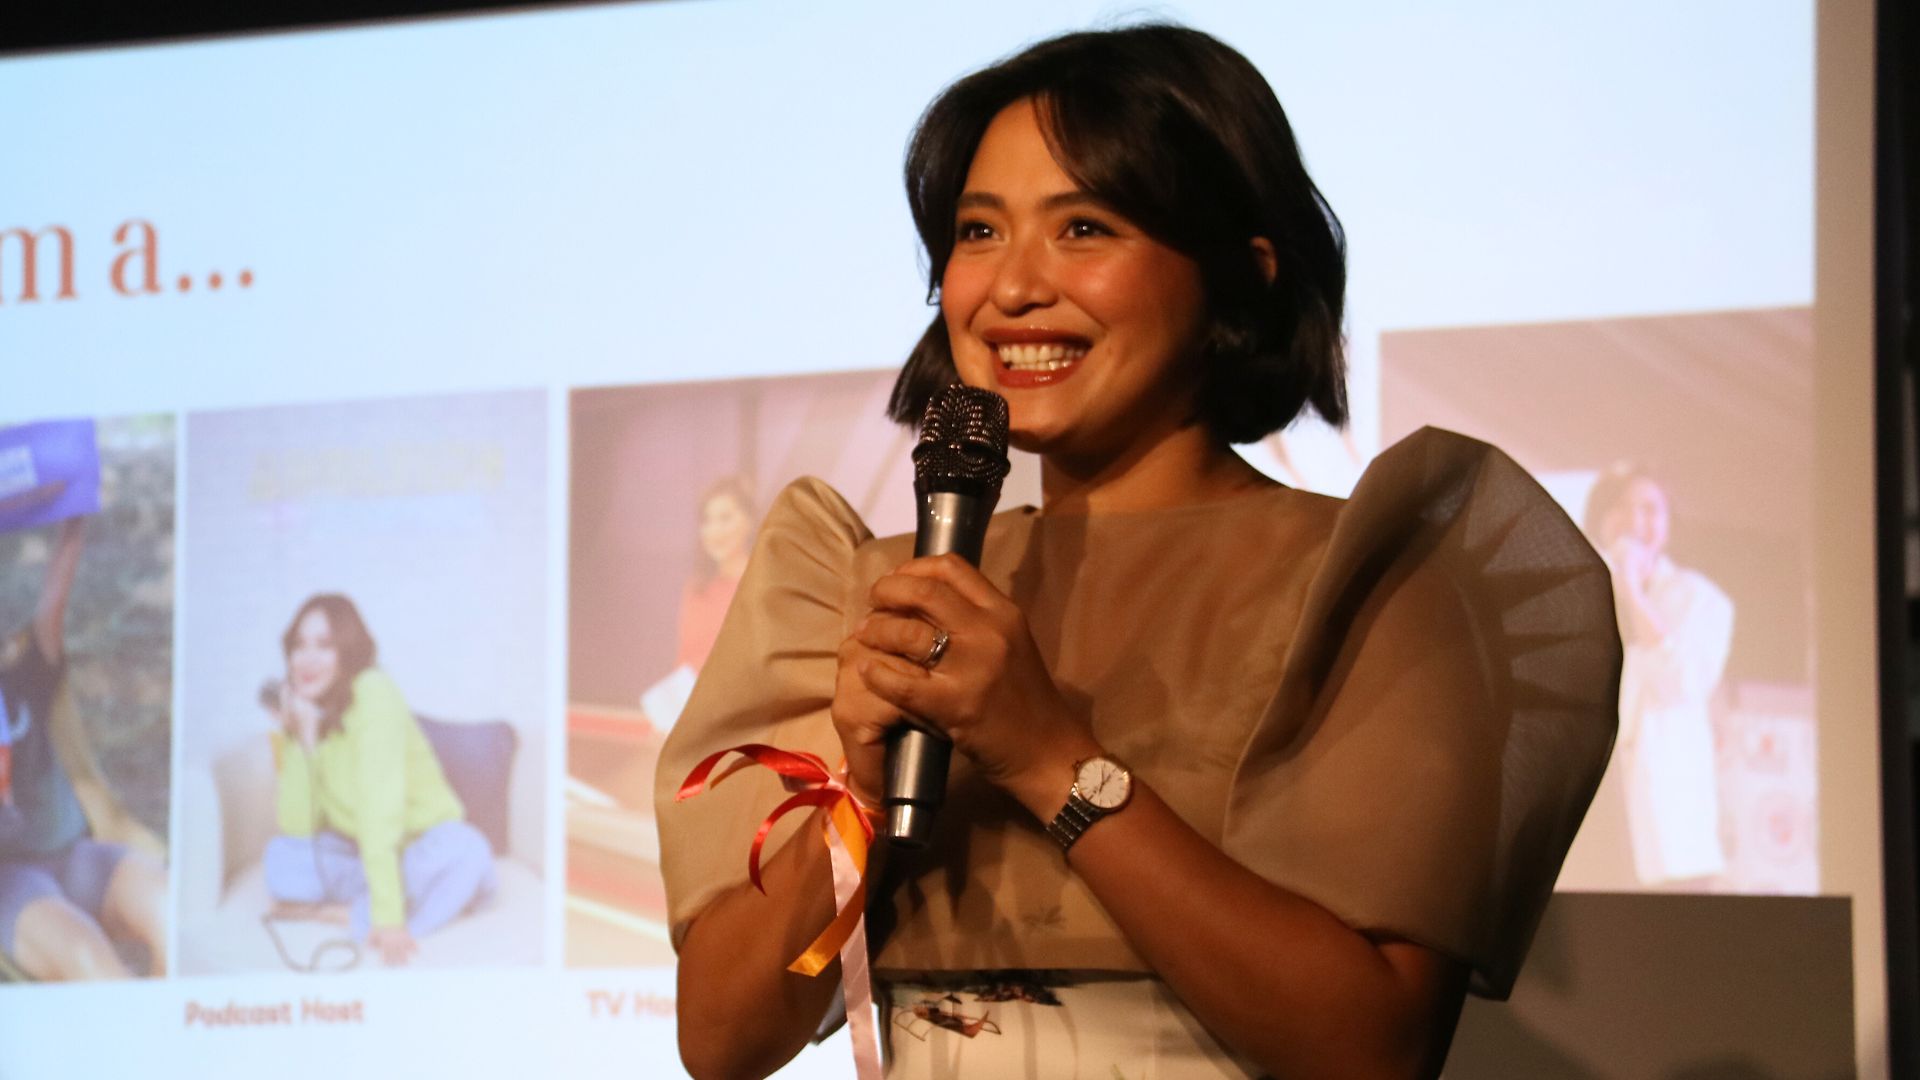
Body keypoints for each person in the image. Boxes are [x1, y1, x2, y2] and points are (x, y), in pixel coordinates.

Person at [657, 24, 1620, 1078]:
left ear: (1240, 275)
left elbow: (1375, 1048)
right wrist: (863, 792)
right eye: (979, 231)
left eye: (1083, 227)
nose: (1012, 287)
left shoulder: (1362, 579)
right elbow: (721, 1040)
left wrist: (1050, 760)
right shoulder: (876, 586)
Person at [263, 593, 497, 967]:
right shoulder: (312, 715)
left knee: (470, 851)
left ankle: (351, 916)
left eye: (323, 645)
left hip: (423, 846)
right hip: (365, 853)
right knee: (280, 859)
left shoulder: (374, 693)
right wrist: (301, 739)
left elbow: (380, 812)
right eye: (298, 646)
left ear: (347, 651)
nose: (306, 659)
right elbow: (298, 827)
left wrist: (388, 918)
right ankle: (393, 901)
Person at [0, 517, 169, 980]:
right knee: (92, 961)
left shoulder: (25, 675)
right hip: (11, 884)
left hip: (73, 857)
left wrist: (74, 514)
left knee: (168, 909)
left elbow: (54, 599)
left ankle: (174, 1020)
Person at [1585, 465, 1733, 887]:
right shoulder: (1577, 591)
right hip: (1595, 805)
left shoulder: (1701, 599)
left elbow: (1682, 684)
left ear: (1668, 524)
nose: (1635, 521)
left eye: (1649, 510)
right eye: (1621, 507)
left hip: (1668, 817)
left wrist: (1632, 590)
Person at [639, 477, 756, 732]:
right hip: (698, 719)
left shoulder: (766, 584)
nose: (715, 530)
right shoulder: (697, 587)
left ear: (748, 521)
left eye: (725, 518)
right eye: (707, 520)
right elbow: (686, 658)